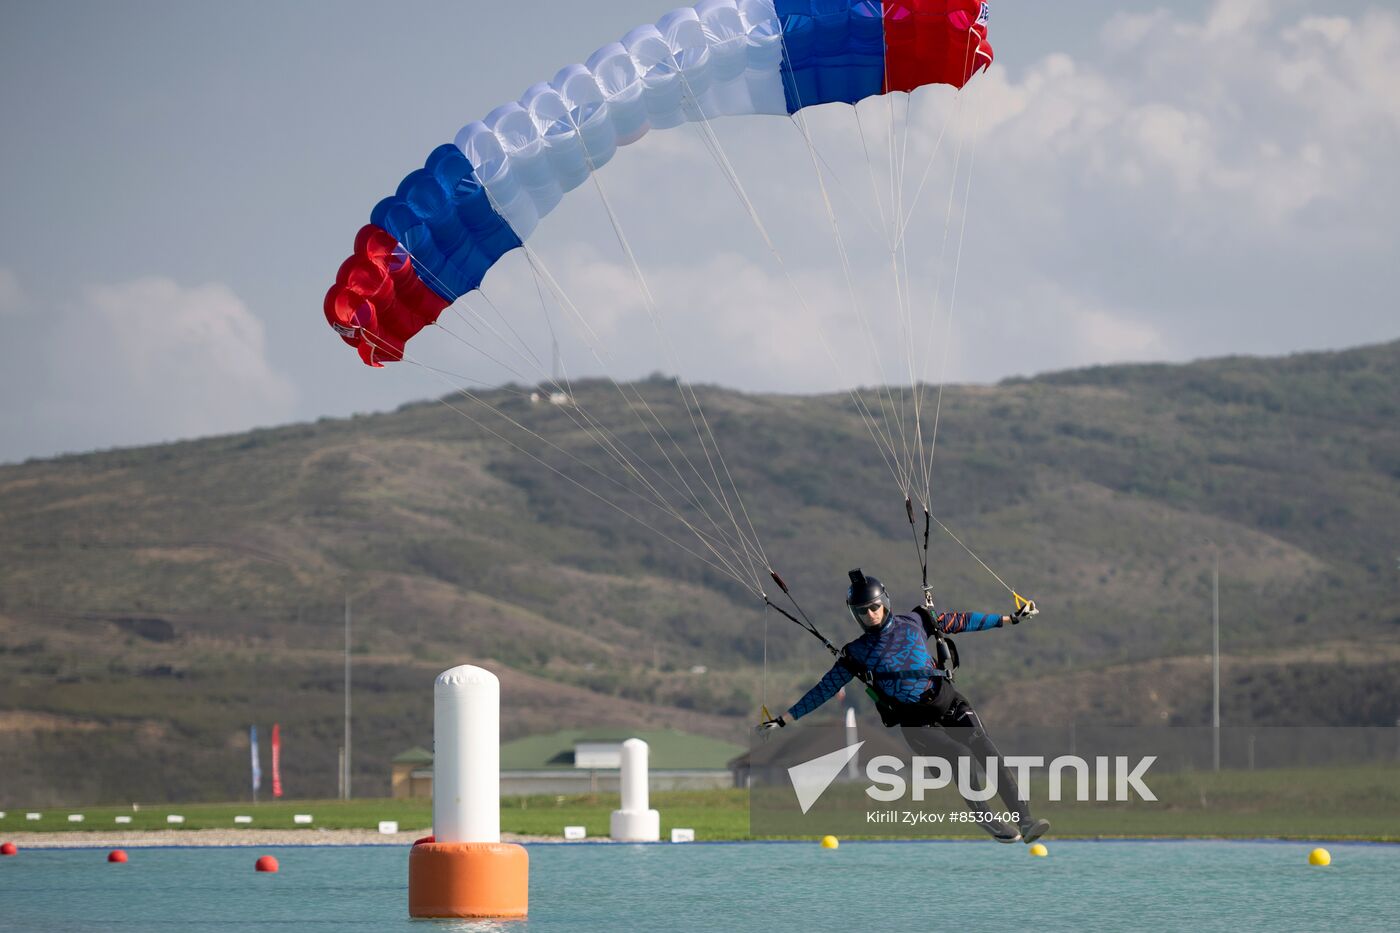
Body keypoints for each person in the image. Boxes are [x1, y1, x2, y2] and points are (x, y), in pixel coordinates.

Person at [759, 568, 1049, 845]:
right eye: (863, 611)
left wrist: (1010, 618)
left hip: (947, 701)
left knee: (986, 749)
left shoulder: (917, 621)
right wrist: (784, 719)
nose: (870, 615)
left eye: (874, 607)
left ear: (885, 603)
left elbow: (961, 621)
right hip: (915, 724)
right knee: (960, 756)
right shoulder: (856, 653)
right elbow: (824, 689)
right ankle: (986, 818)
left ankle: (1025, 820)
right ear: (855, 614)